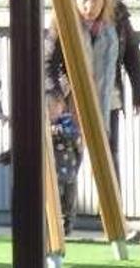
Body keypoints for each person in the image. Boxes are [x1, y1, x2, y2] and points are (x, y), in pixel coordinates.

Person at [41, 0, 120, 233]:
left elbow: (115, 68)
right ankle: (59, 221)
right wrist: (62, 96)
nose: (90, 6)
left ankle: (76, 219)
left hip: (96, 103)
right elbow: (49, 63)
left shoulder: (109, 31)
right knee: (62, 164)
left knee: (78, 162)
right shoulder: (61, 26)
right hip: (64, 105)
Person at [110, 0, 140, 176]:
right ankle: (63, 203)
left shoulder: (117, 13)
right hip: (72, 97)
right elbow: (51, 59)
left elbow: (133, 56)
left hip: (109, 97)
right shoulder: (68, 6)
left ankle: (111, 203)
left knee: (110, 157)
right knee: (68, 158)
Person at [47, 88, 84, 233]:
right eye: (48, 108)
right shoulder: (44, 124)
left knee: (69, 200)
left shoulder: (67, 121)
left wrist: (58, 130)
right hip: (52, 173)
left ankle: (68, 223)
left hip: (69, 170)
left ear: (61, 106)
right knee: (55, 200)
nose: (51, 111)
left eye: (54, 107)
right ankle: (55, 225)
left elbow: (74, 135)